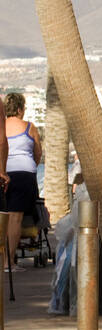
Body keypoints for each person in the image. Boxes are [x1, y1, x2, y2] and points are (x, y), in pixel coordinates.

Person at [1, 91, 42, 267]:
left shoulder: (1, 125)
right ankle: (9, 262)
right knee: (16, 219)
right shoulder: (29, 127)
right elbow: (38, 153)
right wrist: (31, 166)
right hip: (24, 173)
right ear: (19, 109)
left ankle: (2, 261)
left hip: (4, 172)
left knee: (3, 217)